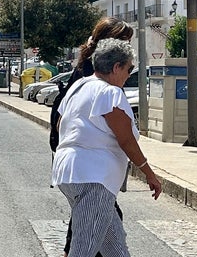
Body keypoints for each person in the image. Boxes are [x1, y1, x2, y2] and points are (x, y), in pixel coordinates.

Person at [52, 38, 162, 257]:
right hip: (94, 178)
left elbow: (59, 123)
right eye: (129, 68)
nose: (129, 74)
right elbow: (126, 140)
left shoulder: (78, 86)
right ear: (116, 67)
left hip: (69, 172)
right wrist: (149, 174)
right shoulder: (109, 93)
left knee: (115, 248)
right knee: (83, 249)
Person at [50, 17, 134, 257]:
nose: (128, 46)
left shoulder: (89, 66)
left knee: (104, 230)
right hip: (90, 169)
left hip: (78, 162)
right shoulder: (98, 72)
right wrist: (147, 169)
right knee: (85, 236)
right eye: (125, 40)